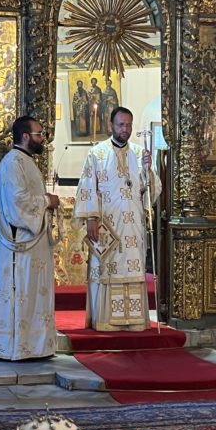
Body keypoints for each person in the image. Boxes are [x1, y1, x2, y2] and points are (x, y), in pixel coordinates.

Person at [72, 107, 161, 332]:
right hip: (108, 223)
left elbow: (151, 191)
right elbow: (87, 187)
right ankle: (106, 319)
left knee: (133, 266)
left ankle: (134, 320)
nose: (125, 129)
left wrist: (148, 171)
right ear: (111, 125)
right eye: (121, 125)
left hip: (133, 225)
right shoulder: (97, 154)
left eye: (128, 125)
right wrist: (91, 218)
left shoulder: (140, 154)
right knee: (108, 268)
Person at [0, 116, 60, 360]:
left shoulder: (25, 161)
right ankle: (17, 347)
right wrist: (47, 201)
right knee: (22, 292)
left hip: (33, 243)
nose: (42, 138)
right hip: (21, 245)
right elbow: (17, 203)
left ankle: (35, 346)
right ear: (25, 136)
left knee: (34, 294)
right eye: (39, 134)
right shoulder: (12, 163)